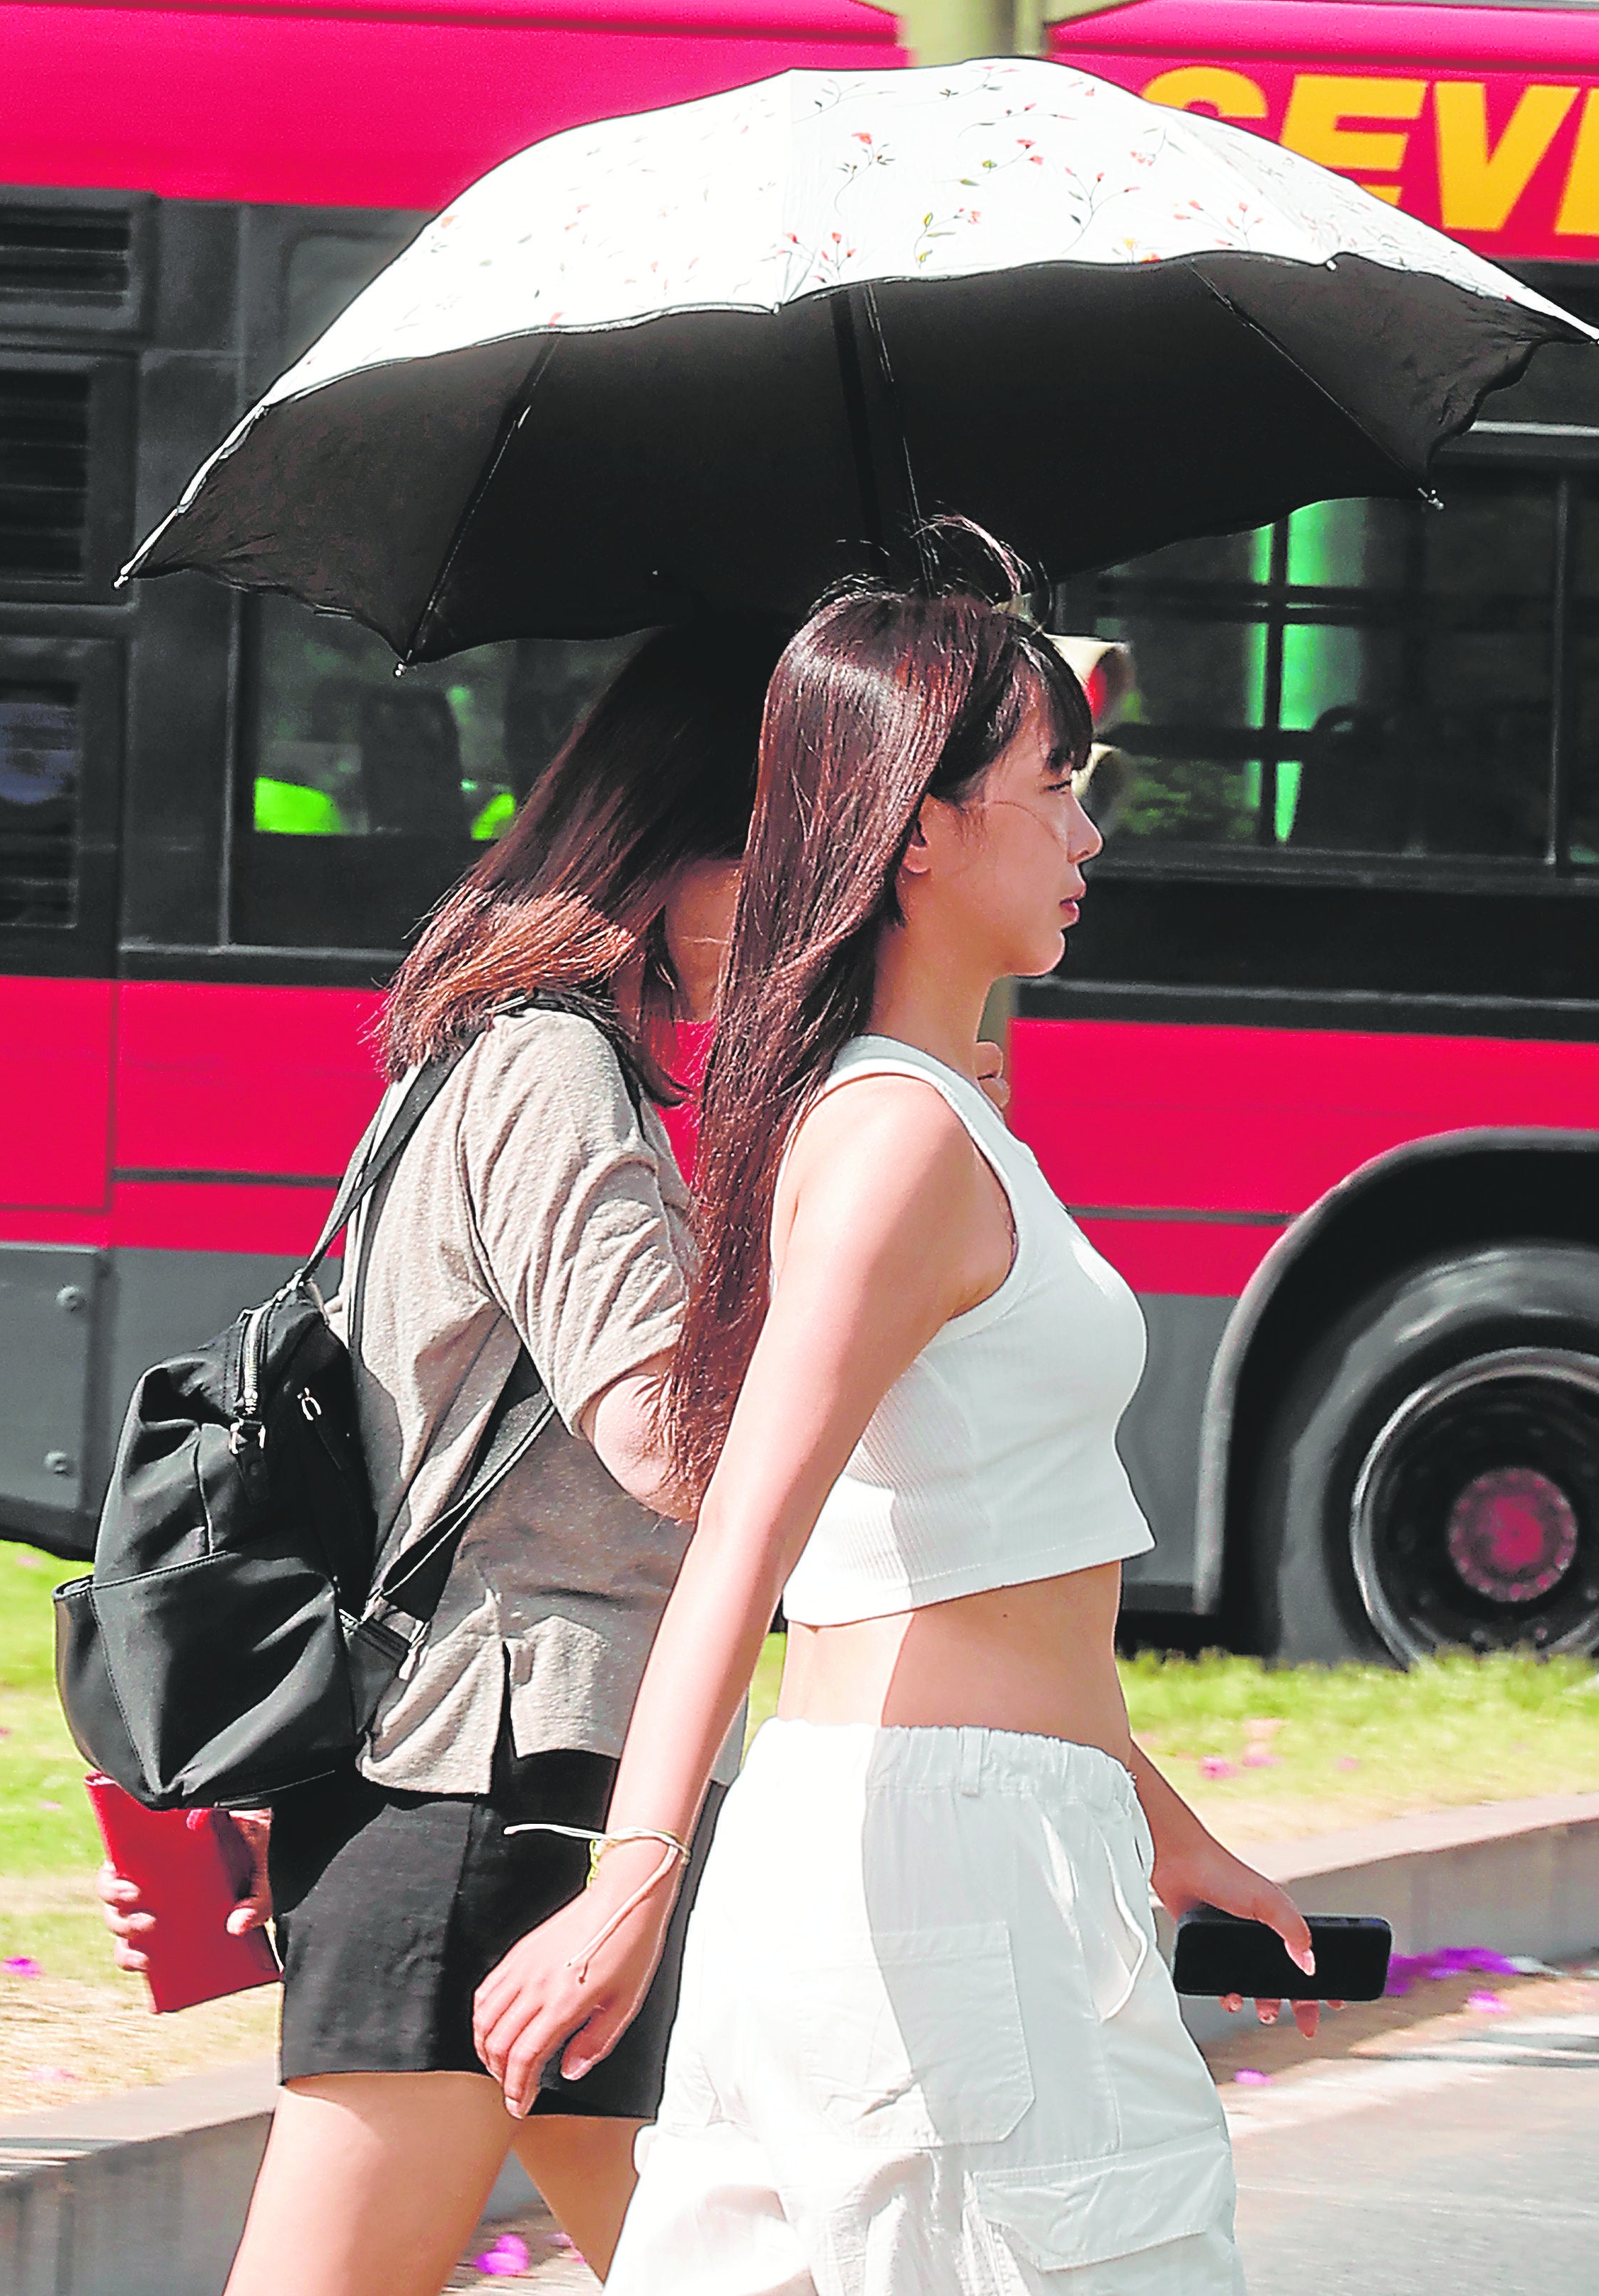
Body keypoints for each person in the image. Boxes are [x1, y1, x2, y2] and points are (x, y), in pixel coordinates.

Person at [473, 542, 1315, 2296]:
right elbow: (751, 1541)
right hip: (946, 1873)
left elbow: (945, 1549)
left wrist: (1162, 1826)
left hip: (983, 1839)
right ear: (917, 833)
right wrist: (632, 1879)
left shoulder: (919, 1121)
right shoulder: (899, 1144)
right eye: (1053, 789)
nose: (1088, 834)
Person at [101, 620, 784, 2296]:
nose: (804, 922)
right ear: (678, 850)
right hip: (511, 1775)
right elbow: (660, 1436)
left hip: (495, 1770)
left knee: (739, 2265)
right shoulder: (551, 1069)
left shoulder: (489, 1058)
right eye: (784, 867)